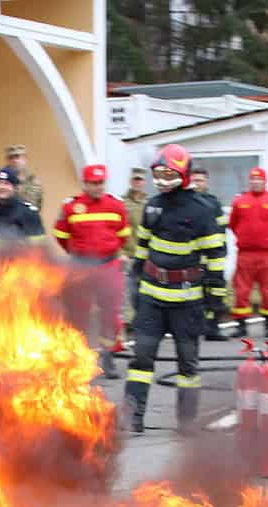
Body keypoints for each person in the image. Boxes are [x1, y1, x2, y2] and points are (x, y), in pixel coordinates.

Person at [125, 143, 226, 434]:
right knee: (141, 357)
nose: (162, 181)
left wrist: (215, 300)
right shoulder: (152, 206)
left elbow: (215, 258)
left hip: (187, 300)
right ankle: (133, 417)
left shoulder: (201, 211)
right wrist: (136, 284)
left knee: (187, 366)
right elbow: (143, 248)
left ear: (183, 175)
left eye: (169, 175)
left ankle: (186, 422)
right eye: (158, 174)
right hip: (152, 298)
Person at [53, 163, 132, 379]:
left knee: (111, 315)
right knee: (78, 313)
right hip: (81, 267)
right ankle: (79, 359)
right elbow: (60, 235)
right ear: (85, 184)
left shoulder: (116, 206)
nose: (98, 187)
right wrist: (79, 255)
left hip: (108, 266)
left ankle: (108, 356)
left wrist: (108, 252)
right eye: (93, 183)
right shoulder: (70, 207)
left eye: (101, 183)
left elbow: (123, 234)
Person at [228, 167, 268, 338]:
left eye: (259, 179)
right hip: (245, 253)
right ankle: (241, 326)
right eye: (253, 179)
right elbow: (233, 224)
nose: (256, 182)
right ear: (250, 181)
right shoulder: (240, 201)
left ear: (264, 181)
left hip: (266, 254)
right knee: (241, 290)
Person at [189, 165, 230, 340]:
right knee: (195, 292)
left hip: (214, 256)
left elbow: (222, 229)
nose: (197, 184)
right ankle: (196, 327)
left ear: (206, 182)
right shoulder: (187, 202)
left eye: (201, 180)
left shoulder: (214, 202)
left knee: (216, 291)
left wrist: (222, 250)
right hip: (194, 256)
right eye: (195, 180)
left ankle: (213, 328)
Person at [0, 168, 47, 249]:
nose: (1, 187)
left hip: (20, 260)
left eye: (6, 183)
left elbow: (38, 248)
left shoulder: (28, 212)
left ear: (15, 188)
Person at [121, 167, 150, 333]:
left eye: (140, 180)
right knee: (128, 289)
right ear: (131, 181)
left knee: (145, 290)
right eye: (135, 179)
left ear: (144, 182)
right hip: (129, 253)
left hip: (147, 255)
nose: (137, 183)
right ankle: (129, 322)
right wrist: (121, 252)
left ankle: (143, 320)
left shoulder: (150, 203)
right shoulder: (123, 203)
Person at [0, 143, 44, 211]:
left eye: (17, 157)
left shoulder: (33, 181)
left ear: (24, 159)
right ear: (7, 160)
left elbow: (35, 207)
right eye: (11, 158)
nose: (14, 160)